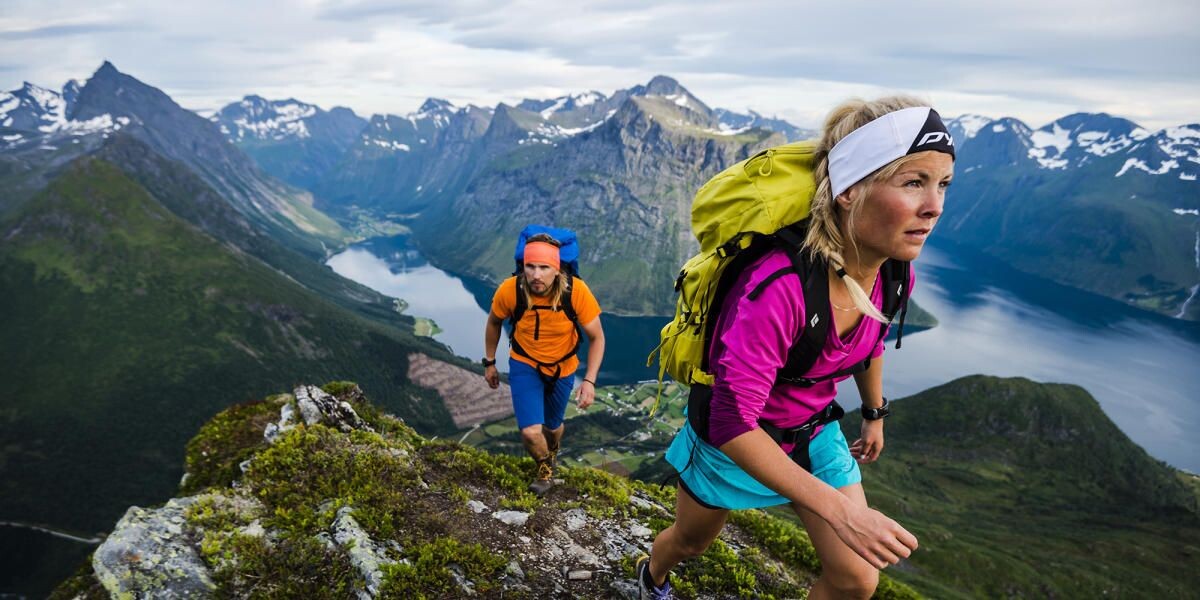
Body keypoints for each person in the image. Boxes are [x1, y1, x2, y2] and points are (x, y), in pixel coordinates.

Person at [638, 96, 954, 600]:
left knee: (856, 580)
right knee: (691, 542)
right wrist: (842, 510)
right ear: (851, 189)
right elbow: (732, 423)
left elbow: (868, 339)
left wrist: (873, 412)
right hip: (738, 439)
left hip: (811, 431)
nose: (934, 205)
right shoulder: (778, 288)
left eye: (943, 184)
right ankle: (652, 573)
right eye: (913, 182)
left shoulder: (893, 269)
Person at [483, 233, 606, 495]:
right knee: (530, 432)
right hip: (524, 363)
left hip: (563, 367)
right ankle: (546, 469)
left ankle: (552, 453)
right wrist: (490, 362)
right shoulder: (511, 289)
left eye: (544, 267)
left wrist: (589, 380)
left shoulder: (576, 292)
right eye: (530, 266)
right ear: (523, 266)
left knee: (553, 427)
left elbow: (597, 338)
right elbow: (494, 322)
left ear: (557, 268)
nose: (536, 275)